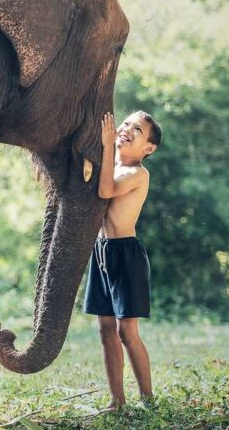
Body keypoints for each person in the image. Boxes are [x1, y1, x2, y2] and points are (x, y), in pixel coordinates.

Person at [84, 110, 162, 411]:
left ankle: (148, 399)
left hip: (126, 255)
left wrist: (106, 145)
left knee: (126, 332)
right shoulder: (111, 165)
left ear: (148, 148)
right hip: (101, 251)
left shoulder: (138, 174)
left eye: (137, 130)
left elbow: (106, 190)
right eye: (126, 123)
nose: (127, 129)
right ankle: (117, 400)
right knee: (106, 331)